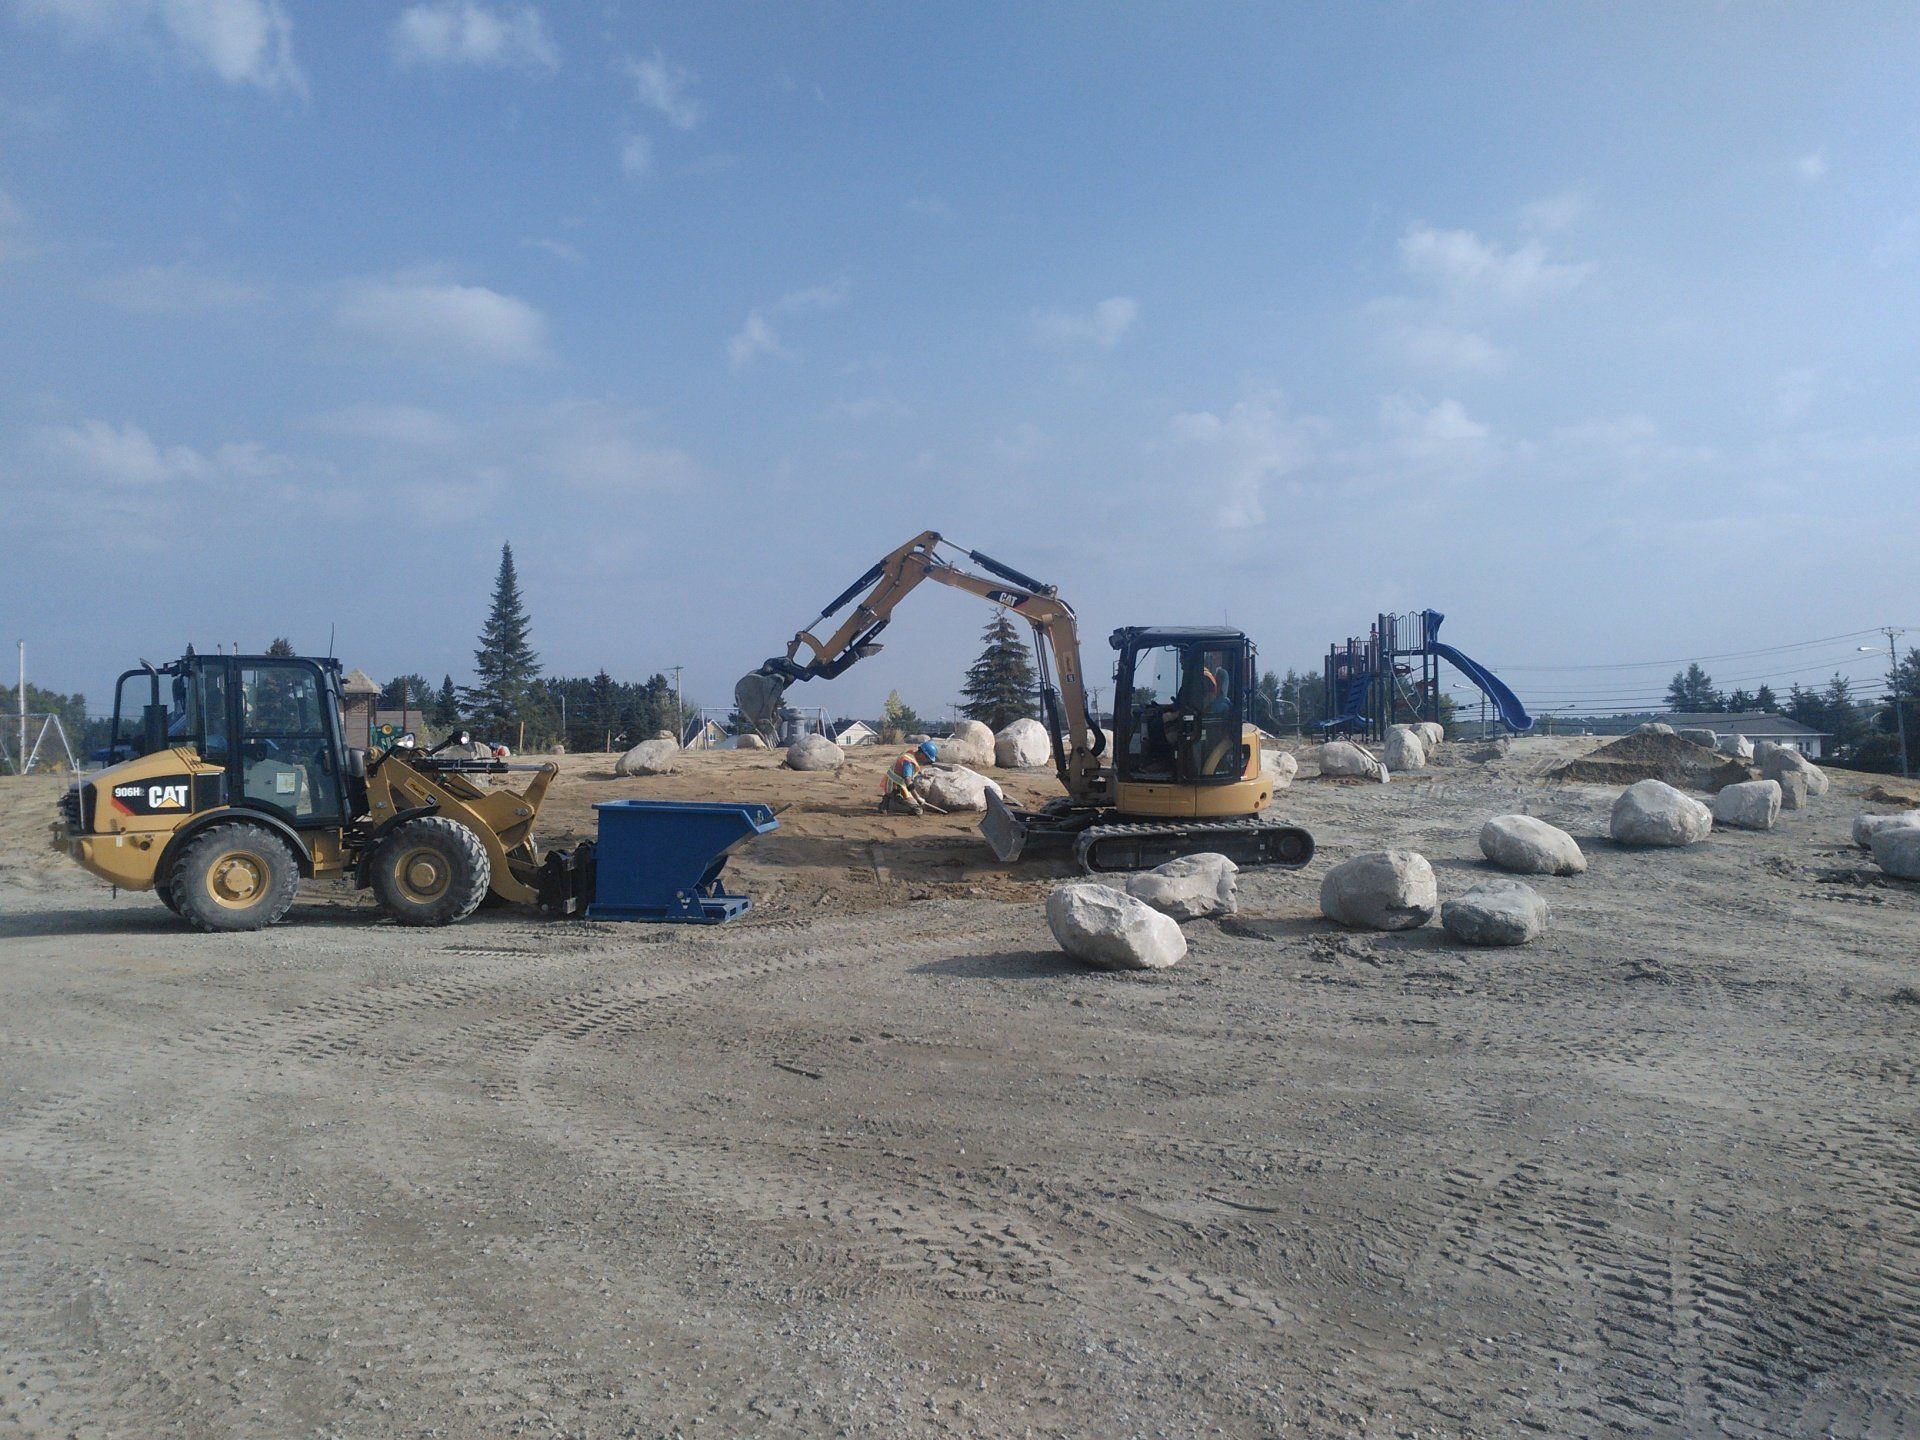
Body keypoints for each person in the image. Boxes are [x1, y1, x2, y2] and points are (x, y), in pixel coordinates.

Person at [879, 740, 939, 815]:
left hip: (892, 783)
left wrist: (921, 774)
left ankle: (889, 798)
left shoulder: (910, 753)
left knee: (911, 801)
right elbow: (908, 781)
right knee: (918, 810)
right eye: (927, 758)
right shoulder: (909, 763)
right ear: (922, 754)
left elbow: (906, 770)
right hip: (896, 787)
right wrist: (917, 798)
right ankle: (890, 801)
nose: (926, 761)